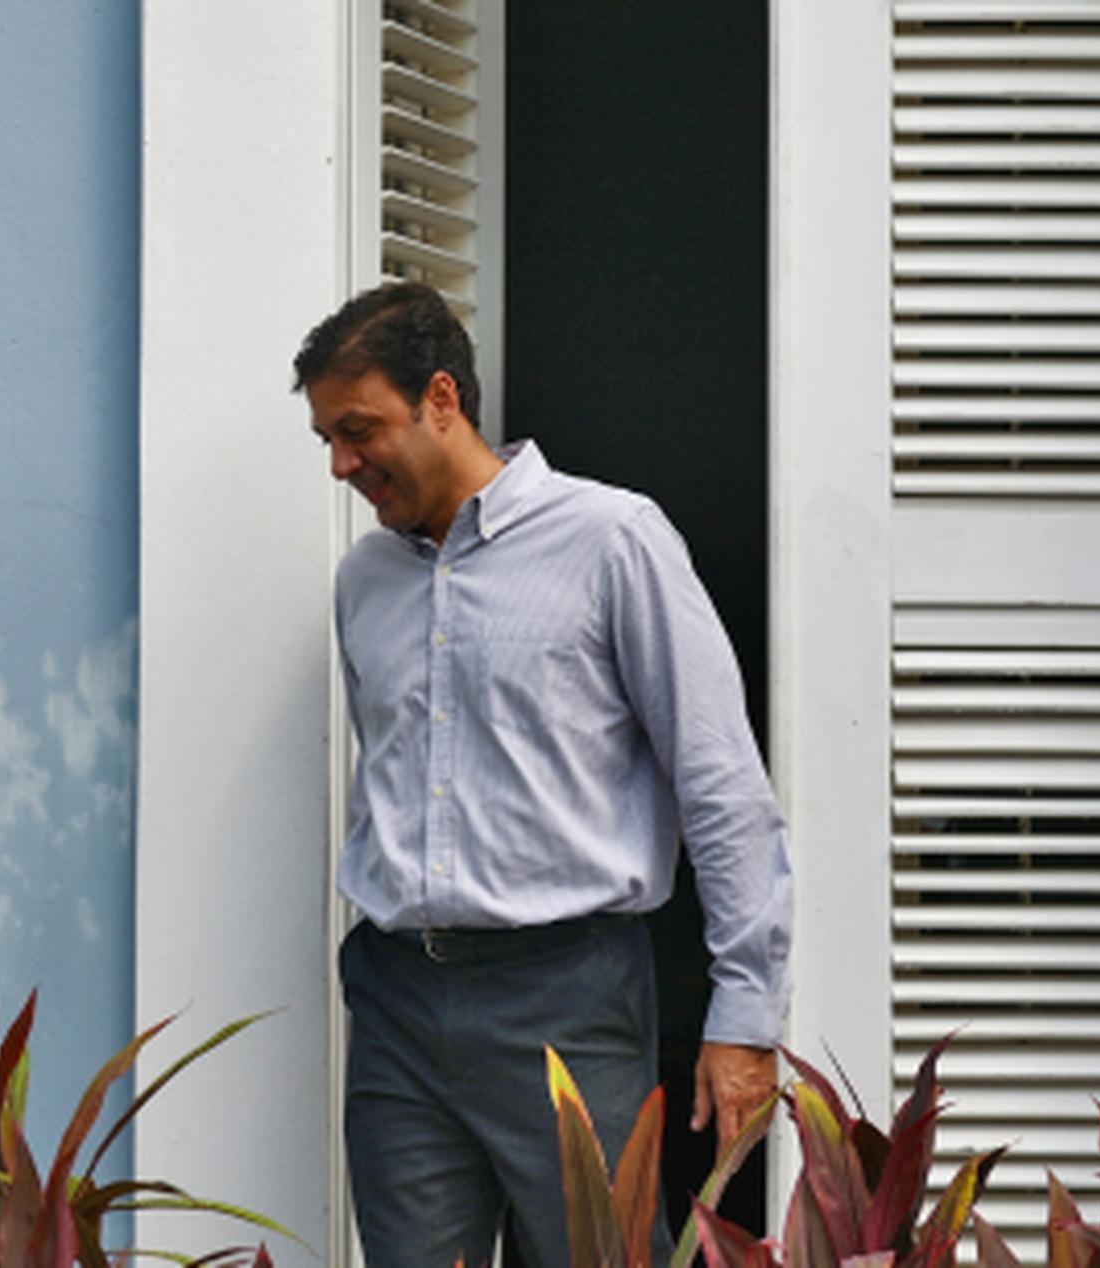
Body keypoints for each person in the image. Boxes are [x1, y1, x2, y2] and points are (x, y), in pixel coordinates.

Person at [294, 281, 791, 1268]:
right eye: (329, 442)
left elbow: (719, 780)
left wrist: (745, 1014)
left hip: (567, 993)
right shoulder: (364, 581)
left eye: (360, 430)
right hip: (395, 998)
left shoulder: (613, 539)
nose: (345, 463)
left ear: (442, 397)